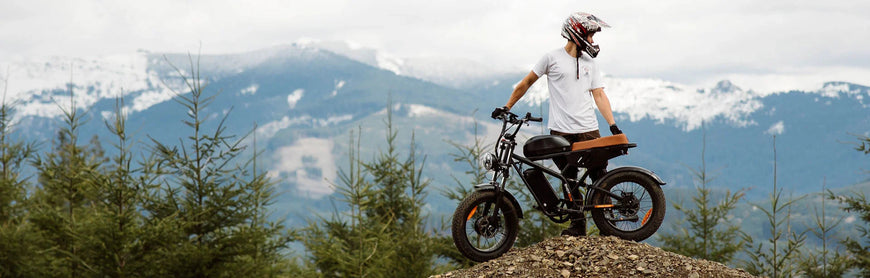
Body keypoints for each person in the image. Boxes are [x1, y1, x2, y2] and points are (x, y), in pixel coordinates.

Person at [491, 12, 622, 237]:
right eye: (590, 35)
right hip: (560, 131)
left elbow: (599, 95)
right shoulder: (551, 58)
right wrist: (507, 106)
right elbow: (526, 83)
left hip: (588, 130)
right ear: (577, 34)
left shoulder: (591, 63)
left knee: (598, 175)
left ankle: (608, 226)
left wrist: (612, 125)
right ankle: (578, 225)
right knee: (568, 177)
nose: (592, 40)